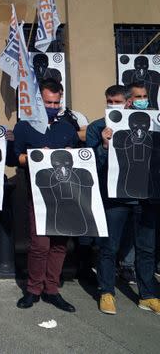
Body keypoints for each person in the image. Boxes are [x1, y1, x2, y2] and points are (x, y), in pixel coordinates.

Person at [92, 82, 160, 315]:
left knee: (146, 249)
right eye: (137, 97)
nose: (142, 101)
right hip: (117, 199)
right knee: (108, 247)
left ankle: (148, 295)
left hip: (146, 198)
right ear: (129, 100)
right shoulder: (99, 127)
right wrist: (104, 144)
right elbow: (96, 165)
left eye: (144, 97)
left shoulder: (154, 125)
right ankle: (107, 292)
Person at [13, 79, 79, 312]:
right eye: (48, 102)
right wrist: (36, 157)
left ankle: (52, 290)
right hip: (38, 194)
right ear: (39, 101)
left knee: (59, 244)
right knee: (40, 244)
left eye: (56, 102)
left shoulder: (68, 128)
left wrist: (72, 154)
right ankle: (33, 290)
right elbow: (16, 158)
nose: (52, 105)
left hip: (64, 194)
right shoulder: (25, 126)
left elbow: (78, 159)